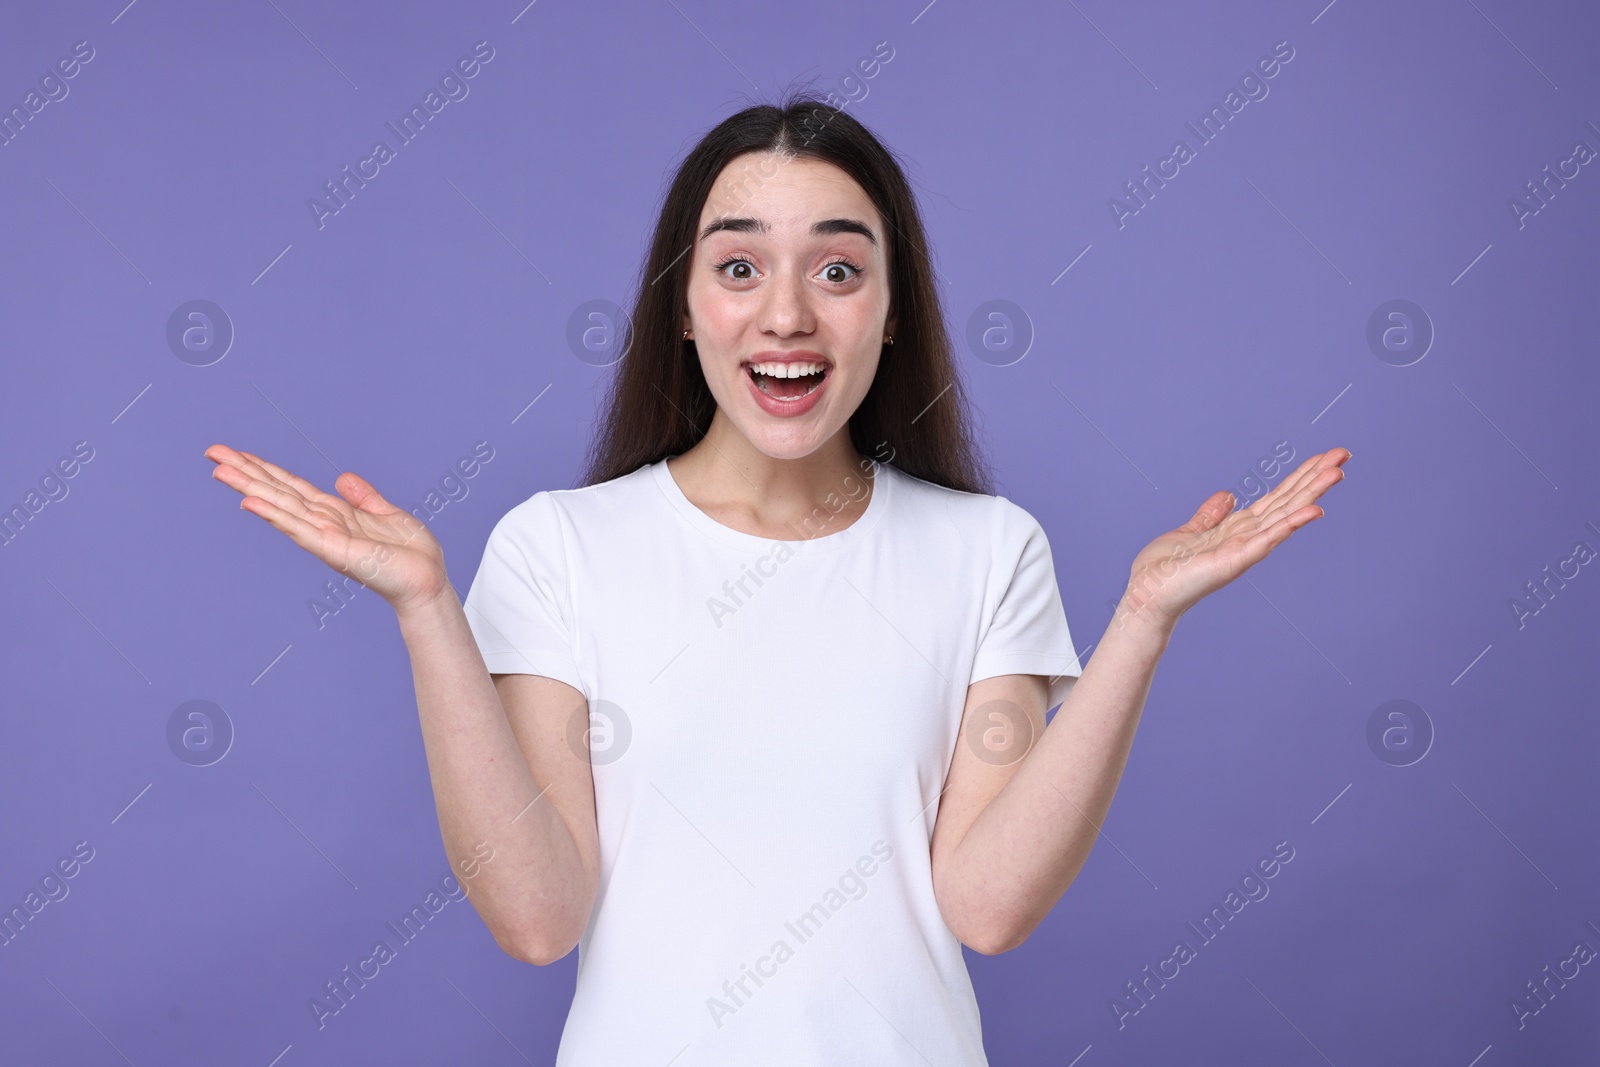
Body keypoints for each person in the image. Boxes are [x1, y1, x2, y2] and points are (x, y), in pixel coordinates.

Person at [205, 92, 1348, 1065]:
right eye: (739, 265)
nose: (787, 314)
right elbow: (538, 916)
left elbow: (988, 907)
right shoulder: (558, 546)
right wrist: (425, 614)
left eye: (839, 268)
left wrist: (1141, 622)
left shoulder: (987, 548)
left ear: (892, 313)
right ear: (686, 307)